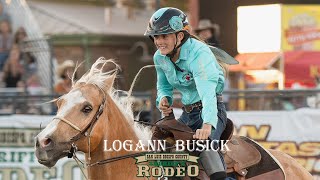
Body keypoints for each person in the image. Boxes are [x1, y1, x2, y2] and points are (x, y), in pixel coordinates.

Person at [144, 7, 229, 180]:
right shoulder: (159, 57)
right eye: (156, 36)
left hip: (211, 110)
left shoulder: (200, 54)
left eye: (164, 36)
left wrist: (207, 125)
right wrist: (164, 100)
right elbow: (163, 86)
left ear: (180, 36)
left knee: (206, 151)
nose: (159, 41)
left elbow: (208, 94)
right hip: (187, 115)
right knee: (168, 161)